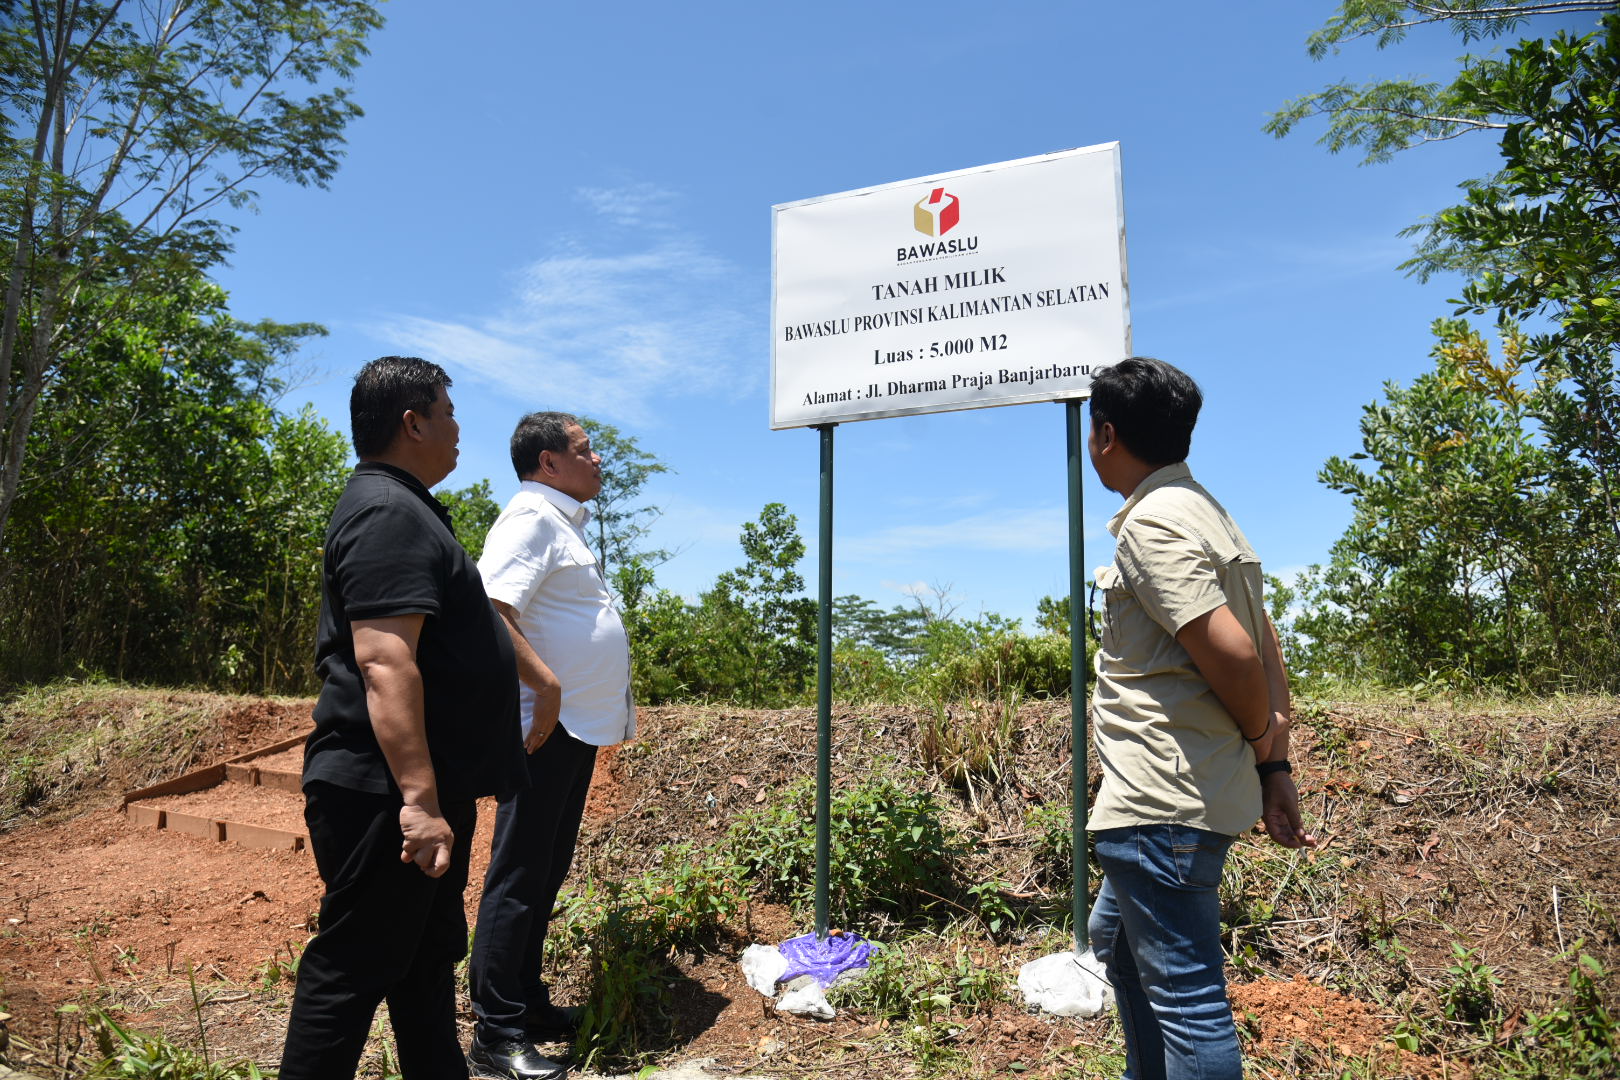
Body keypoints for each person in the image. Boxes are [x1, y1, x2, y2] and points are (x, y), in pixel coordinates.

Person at [279, 357, 526, 1080]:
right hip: (385, 794)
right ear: (412, 421)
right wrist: (419, 801)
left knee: (423, 962)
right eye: (447, 412)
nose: (457, 429)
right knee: (353, 968)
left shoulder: (404, 506)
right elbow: (385, 661)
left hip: (416, 791)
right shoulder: (388, 512)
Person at [1083, 357, 1314, 1080]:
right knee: (1113, 942)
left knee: (1190, 1005)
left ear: (1107, 434)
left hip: (1161, 804)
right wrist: (1273, 764)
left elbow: (1238, 654)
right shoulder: (1207, 513)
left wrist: (1259, 739)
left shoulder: (1150, 525)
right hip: (1177, 796)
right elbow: (1266, 640)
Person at [467, 412, 636, 1080]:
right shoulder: (532, 517)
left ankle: (527, 1003)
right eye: (585, 450)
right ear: (548, 462)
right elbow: (488, 608)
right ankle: (495, 1034)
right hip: (547, 726)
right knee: (517, 875)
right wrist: (547, 686)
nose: (599, 460)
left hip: (576, 727)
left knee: (545, 869)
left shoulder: (562, 521)